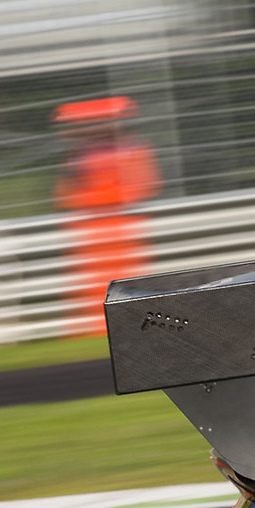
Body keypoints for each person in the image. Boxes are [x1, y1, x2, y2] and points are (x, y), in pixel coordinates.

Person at [53, 97, 161, 337]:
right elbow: (65, 195)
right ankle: (93, 330)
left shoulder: (133, 148)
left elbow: (144, 185)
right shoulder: (76, 156)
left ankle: (124, 327)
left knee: (123, 285)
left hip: (121, 232)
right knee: (92, 290)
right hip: (90, 234)